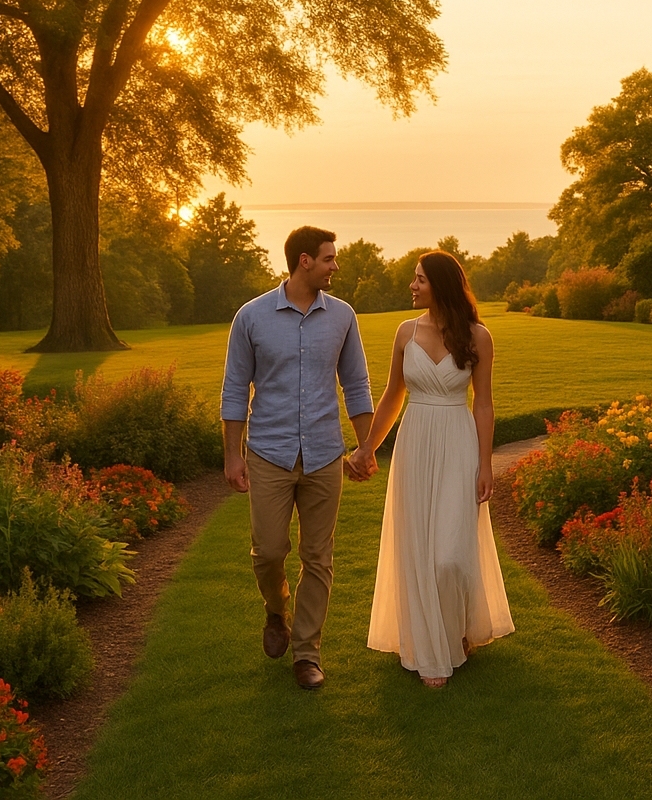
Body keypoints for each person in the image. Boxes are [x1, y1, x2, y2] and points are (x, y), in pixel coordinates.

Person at [349, 250, 514, 687]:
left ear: (439, 284)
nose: (412, 285)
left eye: (419, 279)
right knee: (419, 547)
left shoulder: (478, 336)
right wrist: (368, 448)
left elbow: (483, 404)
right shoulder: (405, 332)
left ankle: (457, 627)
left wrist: (485, 464)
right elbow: (391, 397)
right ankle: (431, 649)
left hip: (458, 443)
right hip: (415, 443)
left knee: (451, 556)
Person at [220, 226, 374, 691]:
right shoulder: (251, 317)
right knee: (268, 552)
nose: (335, 265)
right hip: (269, 452)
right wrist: (232, 456)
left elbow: (357, 385)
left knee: (318, 556)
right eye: (329, 258)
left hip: (325, 453)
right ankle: (276, 609)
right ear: (304, 261)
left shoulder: (343, 317)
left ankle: (307, 653)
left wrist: (365, 447)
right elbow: (233, 390)